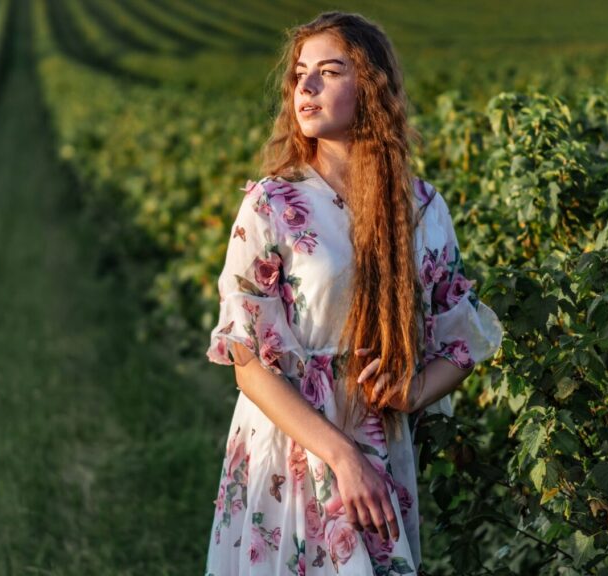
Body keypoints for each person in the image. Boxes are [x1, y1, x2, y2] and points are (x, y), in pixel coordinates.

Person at [202, 11, 504, 575]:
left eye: (330, 71)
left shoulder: (419, 207)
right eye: (300, 74)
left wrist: (411, 393)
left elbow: (464, 336)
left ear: (371, 86)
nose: (307, 88)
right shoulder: (271, 204)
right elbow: (246, 359)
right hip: (291, 443)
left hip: (377, 440)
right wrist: (341, 457)